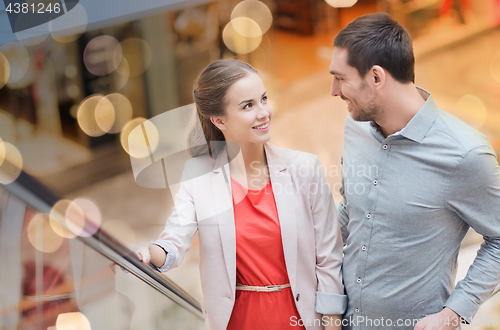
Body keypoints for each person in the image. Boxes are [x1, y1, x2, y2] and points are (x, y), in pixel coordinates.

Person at [135, 59, 347, 330]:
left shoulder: (305, 169)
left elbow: (329, 260)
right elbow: (173, 244)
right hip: (237, 322)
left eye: (264, 99)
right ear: (218, 120)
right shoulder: (197, 177)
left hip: (300, 320)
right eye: (248, 106)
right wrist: (146, 252)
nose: (264, 112)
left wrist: (332, 326)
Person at [330, 12, 500, 330]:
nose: (333, 90)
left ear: (376, 78)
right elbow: (351, 210)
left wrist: (452, 314)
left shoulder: (466, 154)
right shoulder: (355, 129)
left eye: (340, 78)